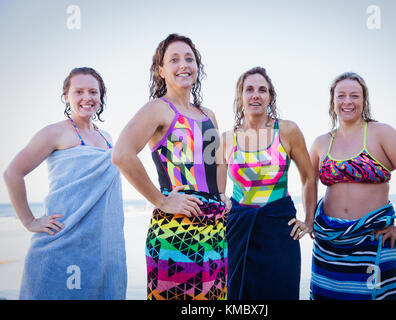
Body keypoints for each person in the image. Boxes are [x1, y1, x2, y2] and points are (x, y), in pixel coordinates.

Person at [112, 34, 229, 300]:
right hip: (176, 230)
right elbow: (121, 154)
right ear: (161, 71)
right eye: (174, 60)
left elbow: (218, 161)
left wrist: (222, 195)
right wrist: (161, 201)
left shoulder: (208, 114)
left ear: (198, 67)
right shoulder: (158, 109)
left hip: (215, 229)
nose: (183, 65)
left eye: (189, 58)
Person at [3, 67, 127, 299]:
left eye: (93, 92)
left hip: (100, 250)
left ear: (101, 97)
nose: (87, 98)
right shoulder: (54, 133)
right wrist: (30, 220)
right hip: (61, 245)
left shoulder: (107, 138)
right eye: (78, 91)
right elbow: (13, 173)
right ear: (66, 97)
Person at [309, 72, 396, 300]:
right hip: (328, 244)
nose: (347, 101)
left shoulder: (381, 133)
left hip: (373, 241)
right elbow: (308, 182)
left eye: (355, 95)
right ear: (332, 102)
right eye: (341, 95)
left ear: (364, 101)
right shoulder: (321, 142)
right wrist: (309, 218)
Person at [217, 66, 317, 300]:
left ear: (270, 97)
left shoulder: (287, 131)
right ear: (240, 97)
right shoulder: (225, 139)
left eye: (262, 90)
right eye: (249, 89)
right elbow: (218, 193)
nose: (255, 95)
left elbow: (308, 176)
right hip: (238, 233)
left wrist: (309, 221)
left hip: (280, 232)